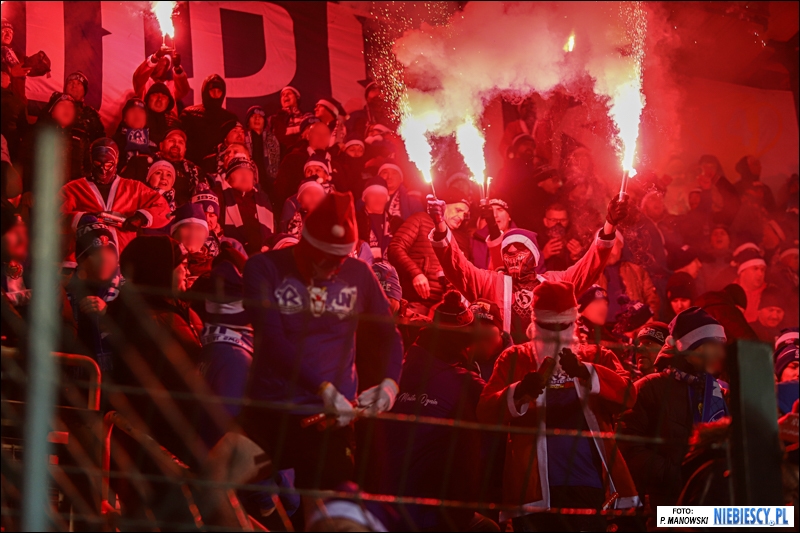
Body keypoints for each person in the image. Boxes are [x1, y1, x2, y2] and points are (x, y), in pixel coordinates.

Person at [202, 192, 404, 528]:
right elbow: (272, 340)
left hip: (330, 425)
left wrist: (390, 385)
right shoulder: (265, 267)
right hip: (271, 413)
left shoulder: (359, 273)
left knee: (325, 523)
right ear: (305, 244)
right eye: (323, 259)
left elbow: (389, 335)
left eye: (338, 261)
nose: (330, 268)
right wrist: (322, 387)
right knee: (209, 486)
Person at [477, 281, 639, 531]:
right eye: (548, 326)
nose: (554, 334)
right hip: (533, 492)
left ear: (573, 323)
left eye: (561, 326)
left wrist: (588, 372)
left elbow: (629, 396)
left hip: (589, 486)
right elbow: (486, 411)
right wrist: (519, 391)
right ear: (535, 324)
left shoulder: (598, 356)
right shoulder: (515, 358)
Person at [369, 291, 496, 531]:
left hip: (383, 504)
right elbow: (499, 405)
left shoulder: (401, 367)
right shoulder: (463, 382)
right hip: (432, 512)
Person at [428, 191, 628, 343]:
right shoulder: (491, 283)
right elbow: (457, 267)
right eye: (508, 254)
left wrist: (609, 225)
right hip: (504, 362)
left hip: (544, 364)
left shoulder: (554, 284)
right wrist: (439, 225)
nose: (513, 257)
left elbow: (589, 267)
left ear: (534, 256)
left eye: (520, 251)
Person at [618, 307, 729, 508]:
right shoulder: (649, 388)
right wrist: (676, 474)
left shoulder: (719, 393)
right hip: (667, 504)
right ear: (692, 348)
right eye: (713, 345)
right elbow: (629, 447)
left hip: (712, 500)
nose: (721, 353)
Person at [59, 138, 170, 267]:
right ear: (91, 160)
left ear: (116, 160)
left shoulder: (134, 188)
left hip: (123, 262)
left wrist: (142, 218)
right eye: (98, 163)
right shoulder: (74, 189)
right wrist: (82, 218)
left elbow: (163, 208)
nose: (103, 170)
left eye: (108, 165)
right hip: (85, 263)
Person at [388, 189, 470, 315]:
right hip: (417, 301)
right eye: (458, 210)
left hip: (448, 309)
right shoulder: (421, 219)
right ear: (444, 205)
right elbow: (395, 247)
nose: (461, 217)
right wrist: (416, 273)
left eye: (465, 214)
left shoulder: (463, 239)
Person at [64, 215, 121, 373]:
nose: (105, 258)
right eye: (96, 253)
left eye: (110, 252)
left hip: (115, 376)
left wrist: (108, 313)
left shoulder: (126, 290)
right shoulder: (65, 291)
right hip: (74, 376)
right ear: (81, 261)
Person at [121, 126, 209, 207]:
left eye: (181, 142)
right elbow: (123, 189)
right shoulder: (141, 162)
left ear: (185, 149)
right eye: (171, 140)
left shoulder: (195, 172)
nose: (176, 144)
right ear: (161, 145)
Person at [23, 92, 90, 186]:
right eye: (62, 105)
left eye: (71, 106)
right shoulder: (37, 134)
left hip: (72, 192)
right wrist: (28, 189)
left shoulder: (81, 138)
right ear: (52, 112)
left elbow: (87, 171)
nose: (67, 109)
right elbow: (25, 165)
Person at [215, 157, 273, 256]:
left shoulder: (263, 199)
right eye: (240, 172)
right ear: (228, 178)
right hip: (232, 254)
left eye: (249, 173)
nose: (245, 176)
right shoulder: (219, 196)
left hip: (262, 255)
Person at [273, 119, 332, 213]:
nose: (322, 137)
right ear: (308, 136)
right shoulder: (293, 159)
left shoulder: (335, 162)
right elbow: (280, 191)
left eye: (326, 134)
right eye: (317, 133)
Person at [598, 232, 661, 320]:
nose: (608, 250)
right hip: (602, 327)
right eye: (603, 246)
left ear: (621, 244)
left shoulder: (637, 272)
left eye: (611, 244)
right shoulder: (591, 275)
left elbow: (652, 300)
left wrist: (649, 319)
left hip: (633, 325)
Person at [179, 74, 238, 163]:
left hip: (221, 165)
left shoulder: (230, 118)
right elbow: (181, 141)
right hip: (194, 165)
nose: (215, 94)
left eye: (219, 91)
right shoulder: (189, 114)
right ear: (205, 91)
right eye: (212, 90)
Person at [356, 176, 403, 261]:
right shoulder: (355, 221)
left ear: (387, 198)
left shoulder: (397, 224)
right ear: (364, 197)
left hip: (392, 268)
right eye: (372, 194)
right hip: (362, 267)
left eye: (382, 195)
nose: (378, 199)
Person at [191, 187, 245, 258]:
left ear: (217, 218)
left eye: (212, 215)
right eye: (203, 214)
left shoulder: (233, 245)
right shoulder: (187, 243)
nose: (207, 219)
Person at [132, 46, 189, 110]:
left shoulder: (171, 86)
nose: (160, 66)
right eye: (158, 62)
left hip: (168, 116)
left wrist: (177, 68)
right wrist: (155, 57)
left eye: (164, 63)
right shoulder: (145, 84)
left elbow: (183, 89)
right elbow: (138, 78)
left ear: (166, 67)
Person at [243, 105, 280, 202]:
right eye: (253, 116)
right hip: (248, 181)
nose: (257, 119)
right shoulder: (242, 138)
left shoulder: (273, 139)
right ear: (248, 122)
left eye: (260, 117)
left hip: (269, 184)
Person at [112, 97, 157, 171]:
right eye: (132, 111)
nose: (137, 115)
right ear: (124, 118)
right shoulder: (114, 143)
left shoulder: (155, 144)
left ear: (146, 119)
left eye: (141, 112)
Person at [472, 198, 516, 270]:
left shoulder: (521, 242)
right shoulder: (475, 241)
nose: (494, 215)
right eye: (491, 210)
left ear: (509, 216)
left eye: (500, 209)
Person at [269, 86, 310, 157]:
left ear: (297, 97)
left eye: (289, 93)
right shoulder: (274, 119)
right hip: (282, 156)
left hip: (303, 155)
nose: (285, 96)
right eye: (283, 95)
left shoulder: (306, 117)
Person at [64, 71, 105, 142]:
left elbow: (101, 142)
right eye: (70, 83)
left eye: (79, 83)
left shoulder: (91, 115)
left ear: (84, 91)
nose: (74, 86)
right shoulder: (53, 107)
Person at [732, 243, 767, 322]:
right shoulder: (729, 295)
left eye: (762, 270)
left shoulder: (770, 294)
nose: (760, 274)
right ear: (742, 272)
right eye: (755, 269)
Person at [1, 62, 27, 161]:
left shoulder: (18, 103)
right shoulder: (18, 103)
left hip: (9, 155)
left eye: (4, 73)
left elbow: (24, 131)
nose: (1, 75)